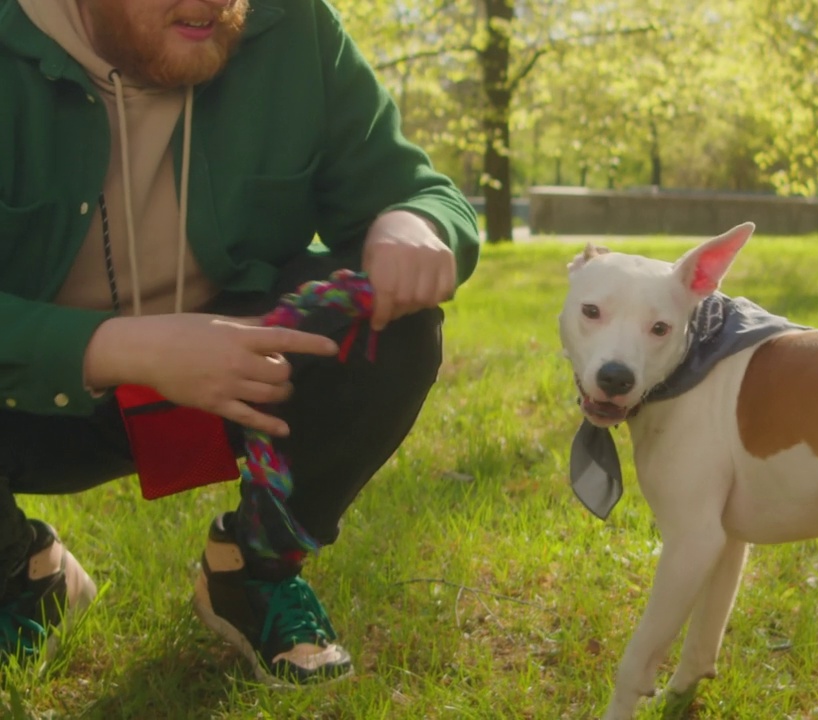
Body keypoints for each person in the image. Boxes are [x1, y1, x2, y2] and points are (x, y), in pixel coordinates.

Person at [0, 0, 480, 683]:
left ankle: (251, 569)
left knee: (391, 325)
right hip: (33, 403)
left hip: (247, 378)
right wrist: (128, 349)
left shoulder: (292, 23)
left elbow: (420, 191)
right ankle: (23, 574)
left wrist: (412, 220)